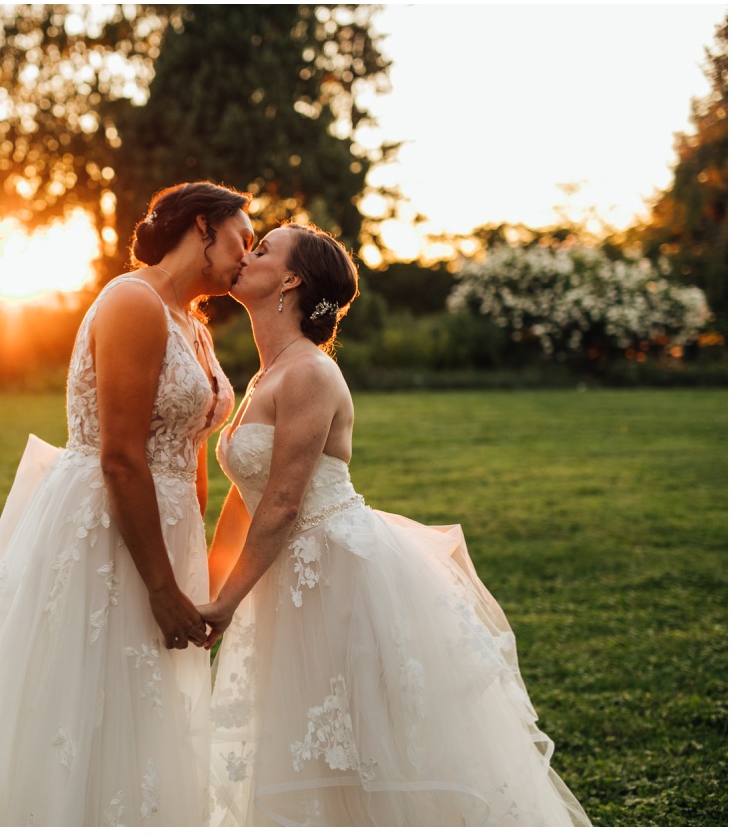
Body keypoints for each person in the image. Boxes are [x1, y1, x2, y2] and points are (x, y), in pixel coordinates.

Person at [200, 222, 589, 826]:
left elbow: (282, 505)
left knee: (360, 748)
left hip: (336, 574)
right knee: (301, 740)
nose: (247, 256)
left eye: (264, 249)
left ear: (292, 279)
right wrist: (207, 584)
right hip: (286, 576)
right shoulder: (263, 377)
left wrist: (224, 603)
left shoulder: (307, 372)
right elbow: (244, 498)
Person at [0, 181, 247, 826]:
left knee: (146, 707)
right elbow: (120, 454)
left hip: (169, 533)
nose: (246, 256)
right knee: (85, 701)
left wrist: (192, 555)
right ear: (202, 226)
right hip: (107, 528)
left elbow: (189, 441)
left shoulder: (193, 324)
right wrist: (161, 584)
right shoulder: (132, 302)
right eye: (240, 239)